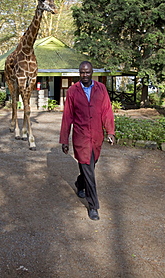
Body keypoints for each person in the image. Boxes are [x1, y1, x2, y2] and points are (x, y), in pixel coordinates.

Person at [59, 61, 115, 221]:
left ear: (92, 72)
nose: (85, 75)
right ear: (79, 73)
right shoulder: (72, 91)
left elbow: (107, 111)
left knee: (91, 165)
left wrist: (110, 131)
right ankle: (93, 206)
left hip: (96, 137)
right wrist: (65, 139)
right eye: (82, 72)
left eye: (87, 72)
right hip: (81, 137)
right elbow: (67, 116)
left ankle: (79, 183)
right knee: (89, 171)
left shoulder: (101, 89)